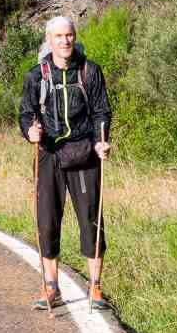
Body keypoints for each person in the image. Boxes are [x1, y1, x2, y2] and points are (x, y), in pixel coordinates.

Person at [19, 15, 112, 311]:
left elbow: (102, 111)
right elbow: (26, 113)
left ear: (75, 36)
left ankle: (95, 288)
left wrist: (102, 139)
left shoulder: (90, 71)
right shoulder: (37, 75)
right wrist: (29, 131)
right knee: (47, 221)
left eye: (69, 35)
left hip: (84, 151)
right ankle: (51, 287)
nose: (65, 41)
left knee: (90, 220)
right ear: (50, 40)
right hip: (48, 154)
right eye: (59, 36)